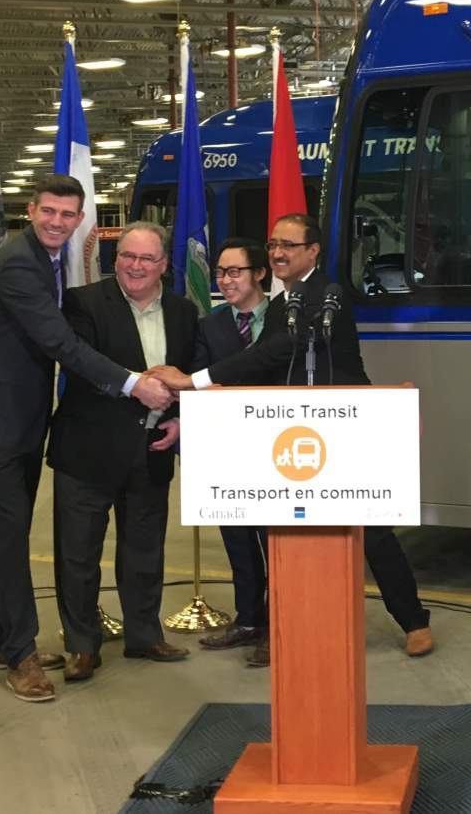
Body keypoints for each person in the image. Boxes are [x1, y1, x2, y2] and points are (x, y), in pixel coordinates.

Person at [151, 214, 434, 660]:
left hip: (346, 425)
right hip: (295, 431)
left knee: (373, 530)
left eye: (288, 244)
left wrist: (195, 379)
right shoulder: (286, 303)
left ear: (312, 251)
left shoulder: (326, 296)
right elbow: (267, 365)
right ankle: (290, 624)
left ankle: (414, 621)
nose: (278, 252)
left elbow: (278, 350)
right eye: (273, 244)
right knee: (296, 534)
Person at [0, 174, 173, 702]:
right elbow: (61, 344)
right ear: (32, 211)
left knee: (5, 530)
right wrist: (132, 383)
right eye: (48, 211)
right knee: (9, 535)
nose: (57, 222)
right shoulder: (19, 263)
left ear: (79, 221)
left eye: (68, 215)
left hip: (19, 417)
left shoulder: (42, 258)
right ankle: (20, 655)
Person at [46, 222, 198, 682]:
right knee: (78, 554)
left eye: (146, 259)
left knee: (145, 550)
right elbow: (84, 365)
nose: (135, 266)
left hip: (152, 448)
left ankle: (144, 635)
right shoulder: (83, 303)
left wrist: (179, 419)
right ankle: (82, 646)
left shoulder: (185, 312)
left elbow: (187, 376)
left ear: (164, 266)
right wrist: (139, 390)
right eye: (128, 256)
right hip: (88, 451)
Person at [190, 239, 272, 665]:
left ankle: (277, 627)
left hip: (276, 448)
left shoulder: (283, 318)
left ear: (259, 273)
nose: (225, 280)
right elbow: (200, 381)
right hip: (226, 446)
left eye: (235, 271)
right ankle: (248, 620)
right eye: (221, 272)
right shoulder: (211, 326)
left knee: (272, 539)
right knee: (237, 539)